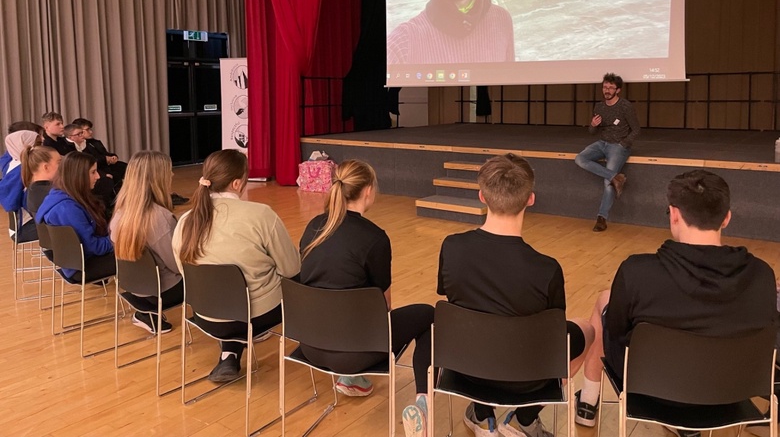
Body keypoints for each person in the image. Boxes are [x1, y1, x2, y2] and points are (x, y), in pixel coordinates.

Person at [575, 170, 777, 436]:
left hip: (654, 391)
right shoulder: (762, 275)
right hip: (732, 392)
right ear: (726, 218)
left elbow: (616, 330)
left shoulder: (638, 271)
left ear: (674, 214)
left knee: (606, 302)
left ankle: (588, 403)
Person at [438, 154, 594, 437]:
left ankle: (482, 414)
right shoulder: (546, 269)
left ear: (482, 196)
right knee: (587, 330)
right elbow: (553, 332)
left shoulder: (452, 247)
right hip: (527, 381)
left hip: (466, 369)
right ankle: (525, 416)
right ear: (530, 199)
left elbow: (457, 305)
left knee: (477, 323)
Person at [298, 159, 434, 437]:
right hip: (357, 352)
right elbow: (383, 306)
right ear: (368, 191)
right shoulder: (375, 238)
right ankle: (424, 402)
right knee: (428, 314)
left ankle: (350, 379)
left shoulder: (314, 226)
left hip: (311, 345)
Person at [171, 149, 300, 382]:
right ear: (238, 182)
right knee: (300, 276)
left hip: (205, 314)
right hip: (256, 316)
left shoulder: (185, 220)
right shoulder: (260, 214)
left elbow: (185, 272)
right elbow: (291, 269)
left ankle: (229, 353)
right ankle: (321, 348)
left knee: (229, 295)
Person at [110, 151, 181, 334]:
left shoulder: (120, 213)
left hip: (135, 287)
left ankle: (146, 315)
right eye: (169, 172)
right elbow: (177, 265)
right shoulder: (160, 217)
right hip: (162, 291)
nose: (172, 175)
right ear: (158, 178)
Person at [574, 73, 640, 232]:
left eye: (611, 88)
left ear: (618, 90)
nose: (607, 90)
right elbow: (591, 132)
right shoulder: (600, 106)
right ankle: (615, 177)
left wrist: (624, 143)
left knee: (607, 182)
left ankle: (601, 218)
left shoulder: (625, 106)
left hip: (618, 146)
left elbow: (636, 129)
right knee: (580, 159)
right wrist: (592, 125)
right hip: (602, 143)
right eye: (605, 87)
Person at [35, 151, 116, 281]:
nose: (98, 177)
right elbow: (94, 247)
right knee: (137, 254)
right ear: (79, 175)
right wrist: (119, 240)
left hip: (73, 261)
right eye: (93, 172)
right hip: (81, 266)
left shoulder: (56, 194)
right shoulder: (67, 209)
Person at [0, 130, 42, 242]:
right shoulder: (23, 169)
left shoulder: (11, 164)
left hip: (23, 223)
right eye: (38, 145)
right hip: (25, 227)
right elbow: (12, 203)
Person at [73, 117, 127, 184]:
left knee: (127, 167)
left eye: (90, 129)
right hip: (97, 168)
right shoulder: (80, 145)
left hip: (106, 165)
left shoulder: (95, 142)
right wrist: (105, 159)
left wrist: (113, 157)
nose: (91, 132)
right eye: (88, 130)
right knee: (111, 177)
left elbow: (105, 153)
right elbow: (89, 161)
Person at [21, 145, 61, 218]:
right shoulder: (54, 194)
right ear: (46, 167)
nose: (63, 166)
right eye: (59, 163)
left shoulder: (32, 190)